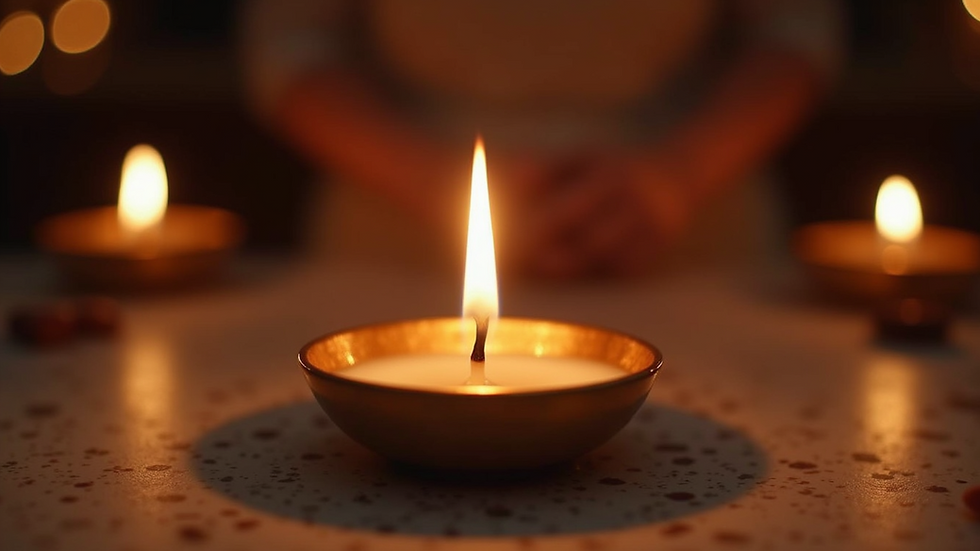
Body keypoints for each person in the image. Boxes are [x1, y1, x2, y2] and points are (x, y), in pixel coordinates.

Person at [241, 0, 844, 278]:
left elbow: (796, 31)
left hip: (695, 250)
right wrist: (429, 179)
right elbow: (291, 45)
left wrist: (679, 171)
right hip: (397, 252)